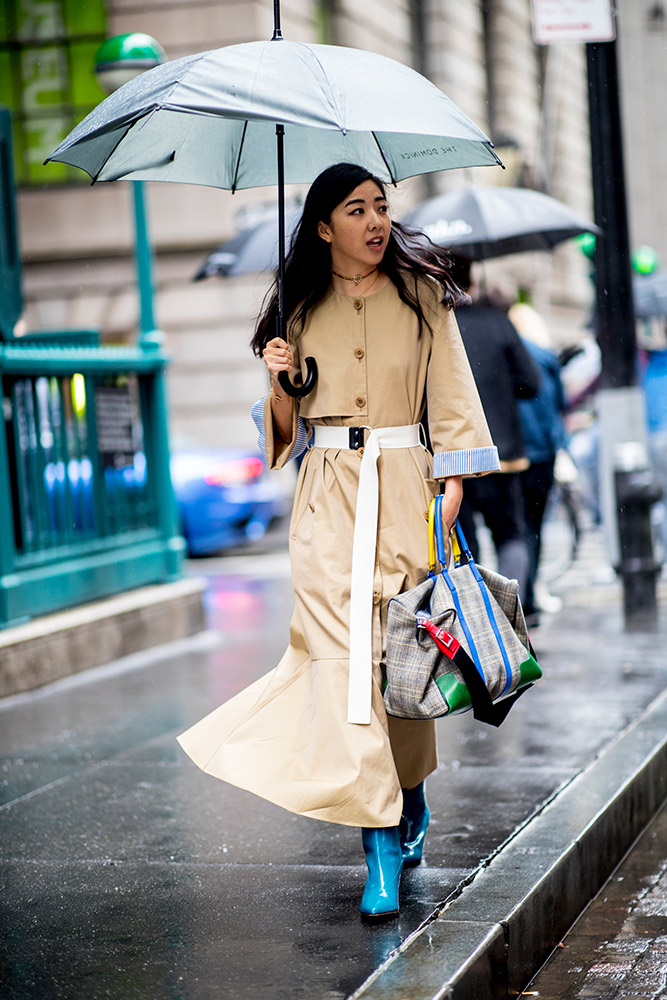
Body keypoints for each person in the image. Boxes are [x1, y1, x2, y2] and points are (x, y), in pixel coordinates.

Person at [177, 163, 499, 921]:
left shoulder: (423, 294)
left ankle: (408, 788)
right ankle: (379, 845)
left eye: (381, 207)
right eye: (356, 209)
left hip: (405, 493)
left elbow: (451, 392)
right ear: (323, 227)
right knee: (341, 667)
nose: (375, 221)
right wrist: (280, 380)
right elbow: (280, 439)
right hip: (326, 498)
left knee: (400, 664)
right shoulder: (298, 305)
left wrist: (451, 485)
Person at [451, 265, 541, 598]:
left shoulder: (433, 326)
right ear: (472, 280)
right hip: (502, 451)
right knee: (510, 535)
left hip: (454, 456)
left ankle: (477, 620)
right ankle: (510, 610)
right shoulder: (498, 322)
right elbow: (531, 384)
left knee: (464, 544)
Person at [509, 301, 569, 623]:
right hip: (544, 453)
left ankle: (523, 598)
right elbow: (561, 404)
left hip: (517, 455)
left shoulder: (508, 356)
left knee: (518, 528)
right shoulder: (545, 358)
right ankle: (530, 593)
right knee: (535, 527)